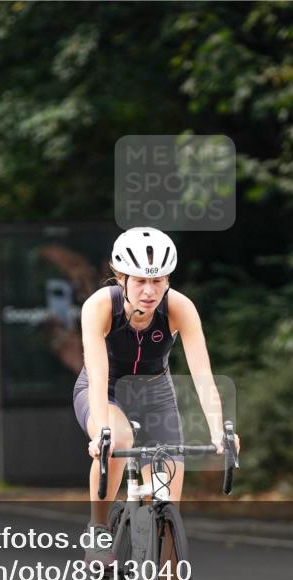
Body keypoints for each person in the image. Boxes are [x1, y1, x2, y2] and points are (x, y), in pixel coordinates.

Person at [74, 227, 240, 554]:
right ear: (121, 278)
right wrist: (101, 433)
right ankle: (99, 527)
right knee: (118, 440)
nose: (149, 291)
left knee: (167, 512)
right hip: (104, 390)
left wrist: (219, 431)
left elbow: (202, 375)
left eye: (159, 280)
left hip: (156, 395)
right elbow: (97, 371)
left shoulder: (180, 308)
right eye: (139, 280)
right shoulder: (99, 307)